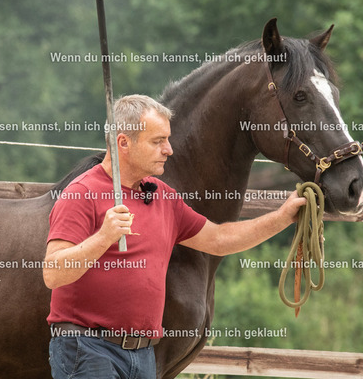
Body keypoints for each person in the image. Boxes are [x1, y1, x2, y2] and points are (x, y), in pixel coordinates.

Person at [43, 94, 306, 379]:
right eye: (157, 141)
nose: (168, 149)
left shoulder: (162, 196)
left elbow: (219, 239)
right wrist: (103, 238)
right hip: (87, 350)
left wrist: (283, 217)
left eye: (167, 140)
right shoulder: (81, 193)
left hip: (143, 354)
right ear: (123, 143)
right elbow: (53, 273)